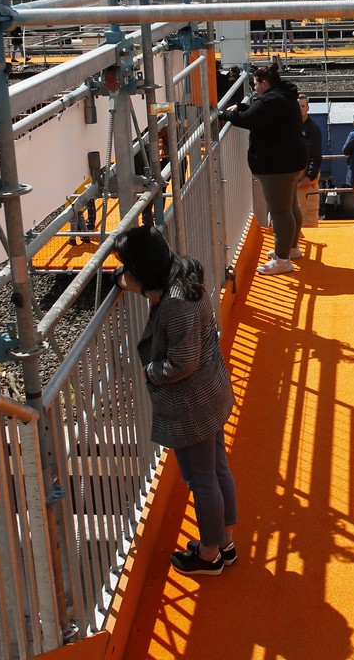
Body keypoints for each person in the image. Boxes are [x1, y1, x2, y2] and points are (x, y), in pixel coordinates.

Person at [113, 225, 238, 575]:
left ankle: (209, 554)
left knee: (201, 479)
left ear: (143, 267)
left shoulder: (174, 304)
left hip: (191, 403)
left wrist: (151, 371)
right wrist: (140, 285)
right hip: (211, 391)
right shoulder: (186, 268)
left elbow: (182, 364)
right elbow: (120, 276)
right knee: (217, 468)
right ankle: (225, 543)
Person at [217, 63, 308, 276]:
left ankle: (282, 260)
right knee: (290, 206)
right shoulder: (284, 96)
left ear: (265, 83)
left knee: (280, 212)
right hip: (292, 158)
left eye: (256, 84)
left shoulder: (270, 100)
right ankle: (291, 248)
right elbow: (258, 115)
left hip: (277, 163)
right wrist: (240, 107)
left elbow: (249, 120)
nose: (255, 88)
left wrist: (224, 114)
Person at [296, 95, 322, 229]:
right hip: (291, 179)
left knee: (308, 221)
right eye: (297, 106)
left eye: (303, 106)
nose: (300, 109)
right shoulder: (288, 126)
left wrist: (310, 176)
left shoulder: (313, 128)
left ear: (308, 108)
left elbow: (316, 156)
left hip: (306, 181)